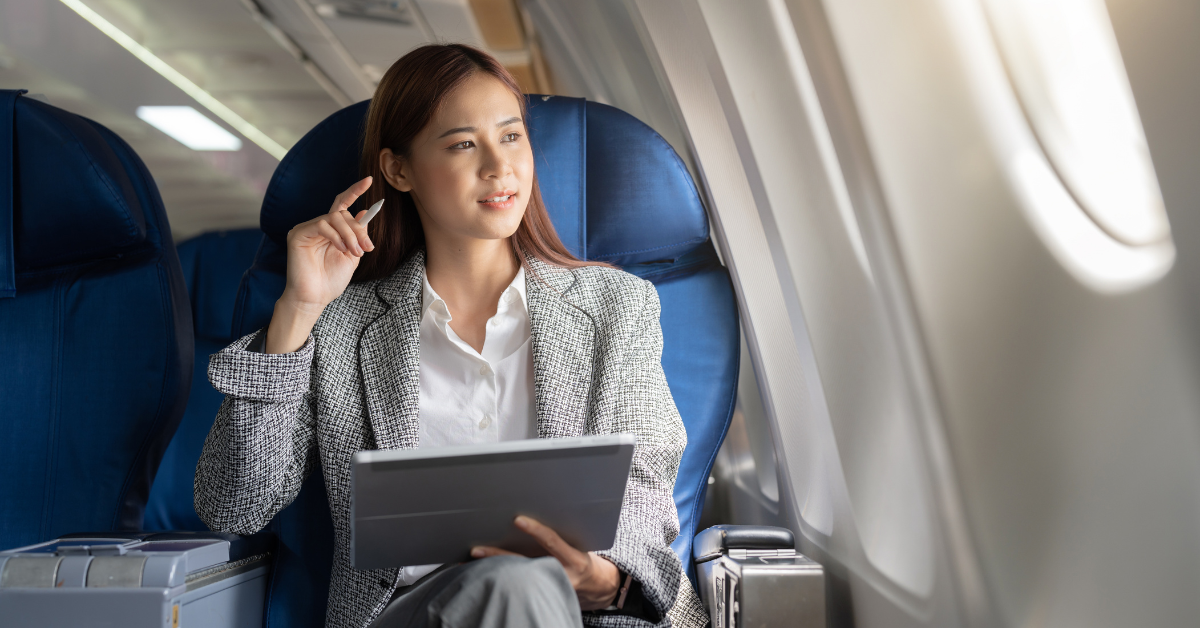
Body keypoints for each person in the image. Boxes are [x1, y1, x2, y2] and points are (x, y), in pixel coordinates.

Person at [195, 44, 706, 628]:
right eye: (464, 144)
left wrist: (605, 580)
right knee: (510, 586)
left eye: (511, 136)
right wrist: (299, 308)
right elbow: (234, 502)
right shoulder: (341, 324)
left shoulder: (615, 307)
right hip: (409, 613)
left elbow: (641, 483)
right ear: (399, 169)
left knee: (522, 586)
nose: (499, 165)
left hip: (576, 609)